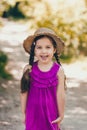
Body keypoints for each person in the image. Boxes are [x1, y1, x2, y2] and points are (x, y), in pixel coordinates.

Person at [20, 27, 66, 130]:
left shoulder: (59, 71)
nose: (43, 51)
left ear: (54, 50)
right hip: (32, 113)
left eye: (48, 47)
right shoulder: (29, 69)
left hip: (51, 113)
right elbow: (24, 92)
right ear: (34, 50)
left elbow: (61, 94)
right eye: (39, 47)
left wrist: (61, 114)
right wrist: (23, 113)